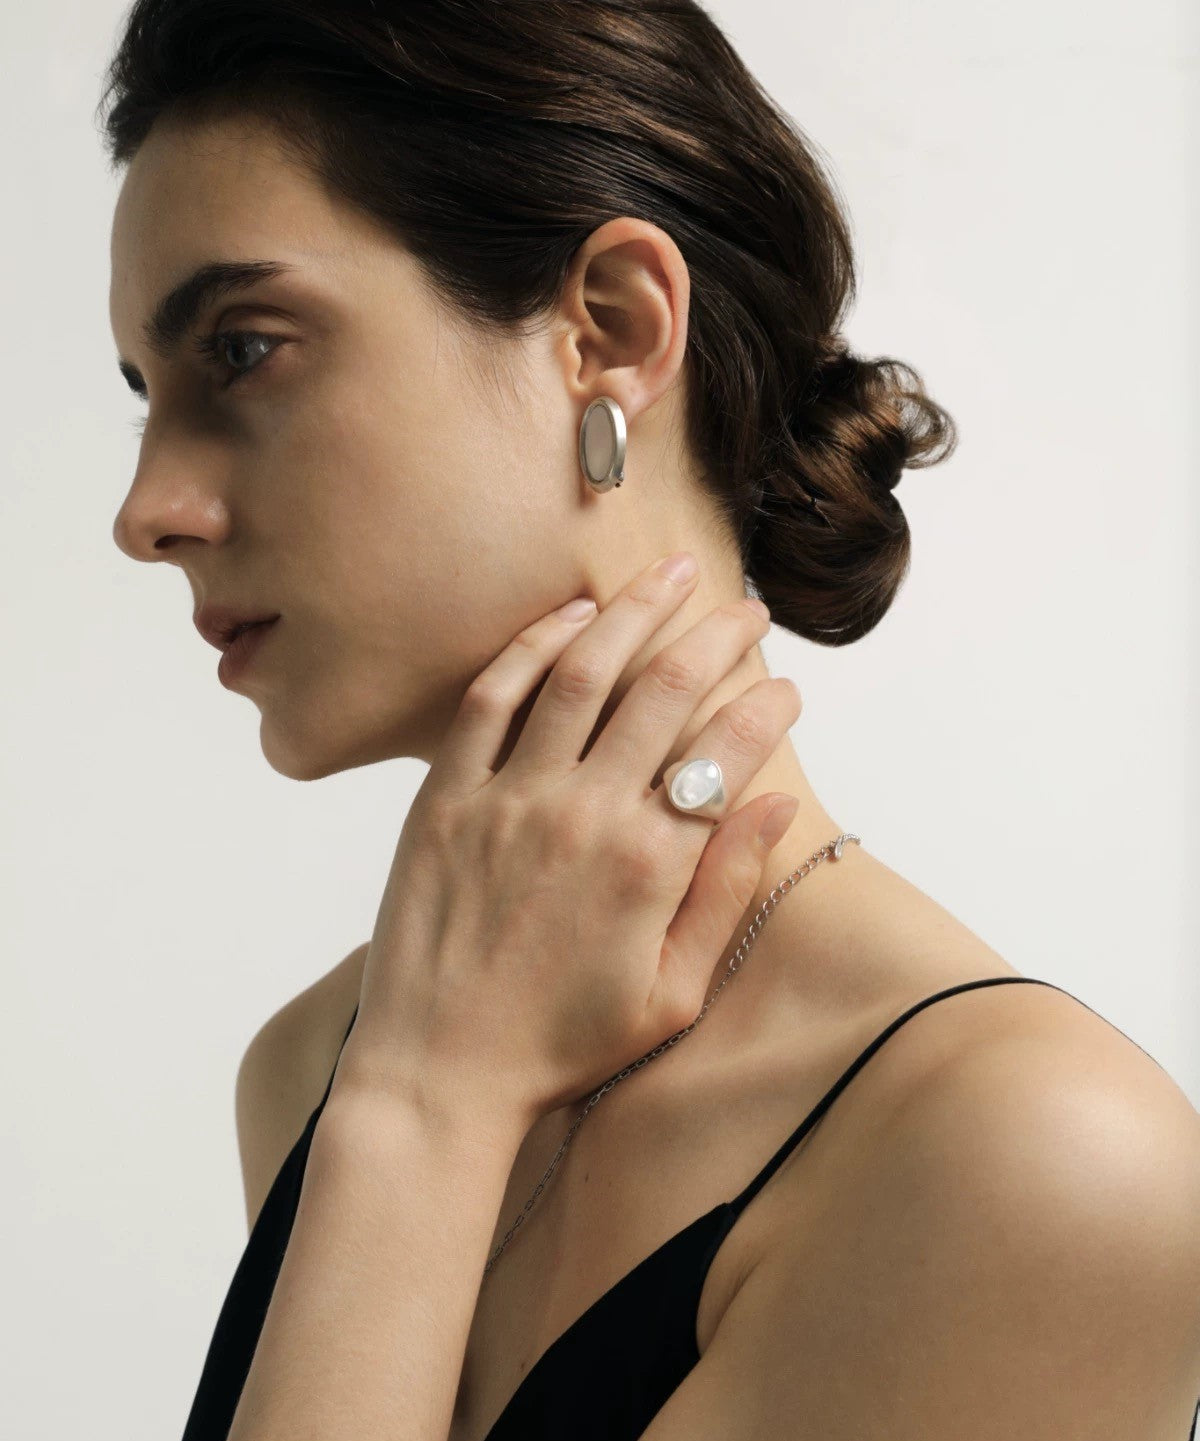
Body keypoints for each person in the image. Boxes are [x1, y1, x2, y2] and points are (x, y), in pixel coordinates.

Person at [99, 2, 1200, 1438]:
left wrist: (425, 1108)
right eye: (142, 398)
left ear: (611, 328)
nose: (147, 511)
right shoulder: (321, 1065)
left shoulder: (1034, 1159)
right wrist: (419, 1101)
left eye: (243, 351)